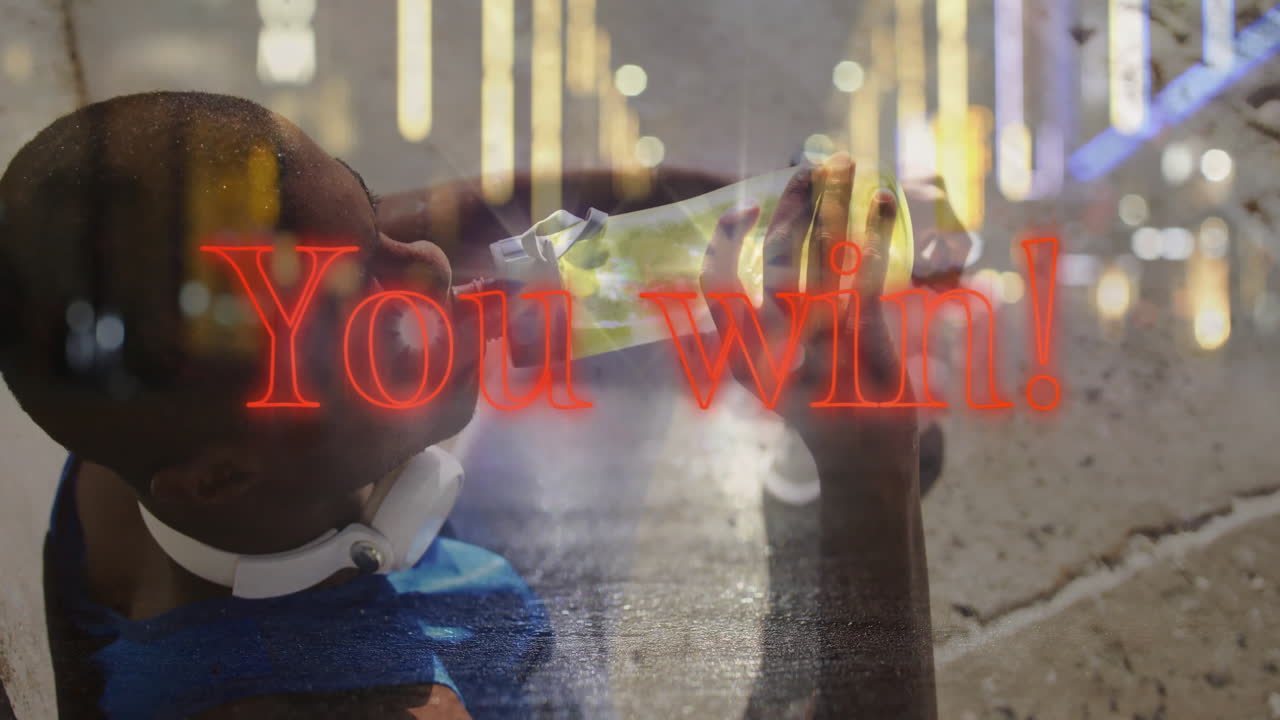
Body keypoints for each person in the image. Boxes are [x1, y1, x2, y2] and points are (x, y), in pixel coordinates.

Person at [1, 91, 942, 718]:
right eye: (364, 303)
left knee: (605, 297)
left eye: (371, 218)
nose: (431, 267)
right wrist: (872, 459)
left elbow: (478, 224)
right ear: (220, 473)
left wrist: (718, 212)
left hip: (423, 567)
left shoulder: (133, 439)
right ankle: (817, 523)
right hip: (490, 661)